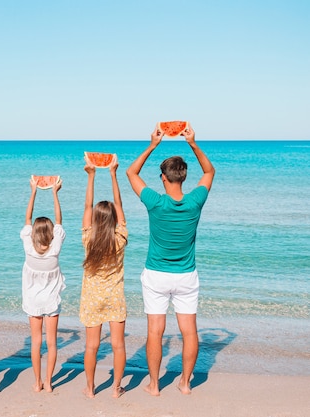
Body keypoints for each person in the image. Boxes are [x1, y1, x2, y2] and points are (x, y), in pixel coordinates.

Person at [125, 122, 215, 396]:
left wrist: (153, 144)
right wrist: (193, 143)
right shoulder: (195, 201)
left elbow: (131, 172)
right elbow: (209, 171)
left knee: (156, 331)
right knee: (189, 331)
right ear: (184, 178)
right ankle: (185, 383)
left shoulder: (155, 201)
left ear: (164, 178)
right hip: (186, 275)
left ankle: (153, 385)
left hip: (156, 275)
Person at [80, 158, 128, 399]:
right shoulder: (120, 239)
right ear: (114, 221)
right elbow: (118, 204)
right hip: (114, 298)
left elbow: (88, 207)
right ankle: (117, 388)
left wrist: (91, 176)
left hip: (92, 299)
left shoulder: (88, 239)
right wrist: (113, 175)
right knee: (118, 345)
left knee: (91, 346)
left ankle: (90, 388)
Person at [20, 176, 66, 393]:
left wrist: (33, 191)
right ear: (50, 234)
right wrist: (55, 193)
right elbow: (59, 221)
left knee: (36, 342)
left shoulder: (29, 249)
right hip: (51, 301)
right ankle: (49, 383)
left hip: (32, 301)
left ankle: (37, 382)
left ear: (34, 234)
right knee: (52, 343)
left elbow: (27, 218)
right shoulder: (55, 249)